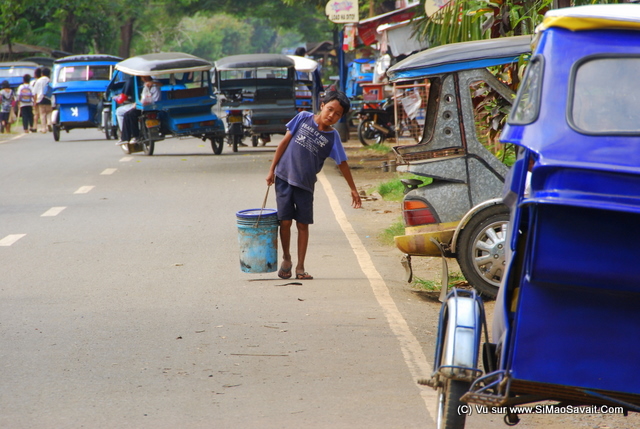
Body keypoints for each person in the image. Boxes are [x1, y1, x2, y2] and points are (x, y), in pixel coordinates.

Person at [266, 91, 362, 280]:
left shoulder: (333, 137)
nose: (331, 116)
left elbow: (342, 163)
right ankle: (286, 258)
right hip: (284, 177)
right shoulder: (302, 118)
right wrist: (271, 170)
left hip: (305, 185)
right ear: (322, 105)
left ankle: (301, 267)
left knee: (303, 224)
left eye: (337, 114)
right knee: (284, 222)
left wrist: (353, 188)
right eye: (330, 109)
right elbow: (284, 143)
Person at [117, 75, 161, 145]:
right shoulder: (146, 86)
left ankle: (136, 136)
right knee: (127, 114)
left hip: (151, 107)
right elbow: (143, 98)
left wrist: (152, 83)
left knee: (132, 114)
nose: (144, 79)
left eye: (145, 77)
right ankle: (125, 138)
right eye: (143, 78)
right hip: (144, 107)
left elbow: (154, 98)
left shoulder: (155, 85)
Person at [33, 67, 52, 133]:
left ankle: (44, 128)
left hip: (40, 99)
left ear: (42, 74)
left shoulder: (38, 81)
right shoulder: (50, 81)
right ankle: (49, 122)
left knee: (42, 114)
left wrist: (35, 102)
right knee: (49, 112)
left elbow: (35, 92)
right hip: (49, 98)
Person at [30, 67, 41, 132]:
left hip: (35, 99)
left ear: (35, 75)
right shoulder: (45, 81)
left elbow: (33, 92)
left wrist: (34, 101)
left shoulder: (33, 82)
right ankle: (46, 125)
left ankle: (35, 126)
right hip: (43, 99)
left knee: (36, 114)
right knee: (44, 113)